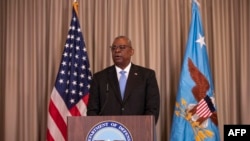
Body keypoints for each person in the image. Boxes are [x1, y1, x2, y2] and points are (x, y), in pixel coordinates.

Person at [87, 35, 160, 124]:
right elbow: (92, 110)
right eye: (114, 48)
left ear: (131, 51)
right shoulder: (99, 78)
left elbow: (152, 108)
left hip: (138, 132)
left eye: (122, 47)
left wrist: (144, 127)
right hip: (107, 132)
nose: (117, 51)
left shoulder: (147, 76)